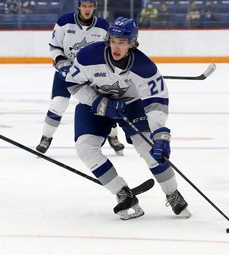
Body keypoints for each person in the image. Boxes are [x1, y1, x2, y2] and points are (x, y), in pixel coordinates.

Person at [64, 16, 190, 220]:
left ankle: (172, 193)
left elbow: (156, 103)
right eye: (113, 40)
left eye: (122, 42)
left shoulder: (145, 68)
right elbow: (73, 84)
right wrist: (99, 103)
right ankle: (122, 193)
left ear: (132, 43)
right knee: (85, 148)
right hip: (95, 103)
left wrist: (159, 134)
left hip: (132, 105)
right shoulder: (89, 56)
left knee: (150, 149)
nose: (116, 46)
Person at [36, 0, 125, 155]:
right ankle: (46, 137)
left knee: (103, 104)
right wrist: (61, 63)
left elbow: (110, 51)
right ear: (78, 6)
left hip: (92, 74)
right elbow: (54, 46)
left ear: (94, 7)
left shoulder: (103, 26)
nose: (87, 9)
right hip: (66, 72)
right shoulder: (64, 22)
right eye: (84, 5)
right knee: (58, 103)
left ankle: (113, 136)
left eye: (90, 6)